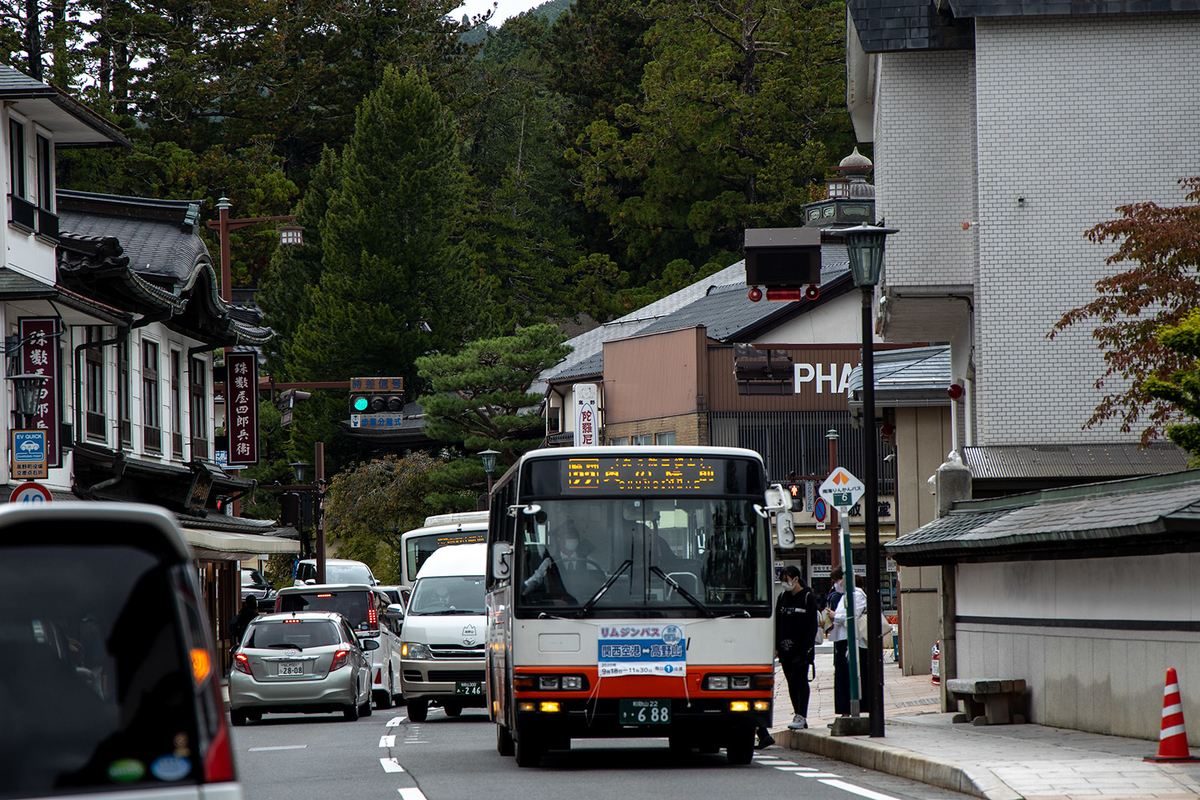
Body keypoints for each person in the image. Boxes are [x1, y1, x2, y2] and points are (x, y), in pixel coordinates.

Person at [775, 565, 819, 733]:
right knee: (790, 682)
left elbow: (811, 627)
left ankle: (802, 715)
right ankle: (797, 714)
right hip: (785, 649)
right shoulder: (782, 597)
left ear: (796, 578)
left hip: (802, 650)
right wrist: (777, 646)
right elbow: (778, 623)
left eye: (787, 580)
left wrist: (806, 650)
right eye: (783, 580)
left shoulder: (808, 597)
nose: (785, 583)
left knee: (799, 680)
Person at [831, 574, 869, 721]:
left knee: (851, 676)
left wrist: (835, 616)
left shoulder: (858, 595)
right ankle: (844, 711)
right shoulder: (844, 596)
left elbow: (852, 616)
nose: (836, 584)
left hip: (853, 640)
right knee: (841, 677)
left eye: (837, 581)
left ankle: (855, 710)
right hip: (841, 639)